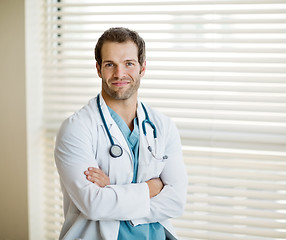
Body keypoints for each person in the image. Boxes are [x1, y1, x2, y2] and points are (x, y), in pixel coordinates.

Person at [54, 27, 188, 240]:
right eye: (110, 65)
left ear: (142, 68)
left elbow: (176, 201)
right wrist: (151, 187)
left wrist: (112, 191)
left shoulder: (163, 126)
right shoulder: (76, 128)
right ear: (98, 69)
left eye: (129, 64)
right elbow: (94, 205)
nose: (119, 74)